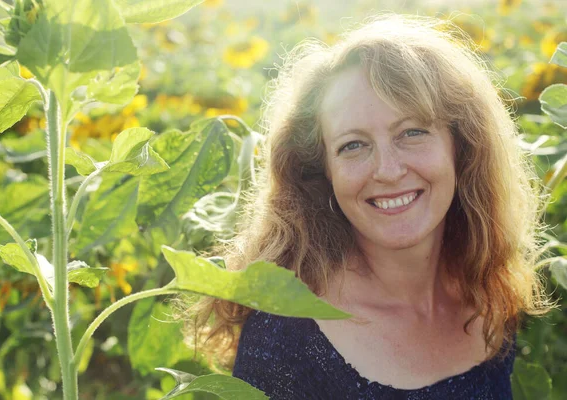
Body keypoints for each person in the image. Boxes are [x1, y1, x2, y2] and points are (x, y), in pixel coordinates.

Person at [184, 14, 554, 399]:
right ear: (322, 170)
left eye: (412, 132)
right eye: (353, 145)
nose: (388, 171)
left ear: (461, 145)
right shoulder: (285, 337)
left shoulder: (490, 291)